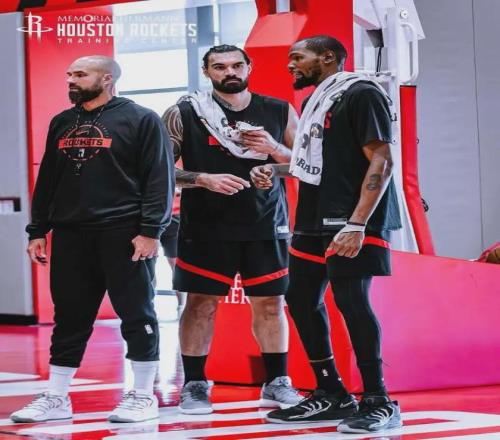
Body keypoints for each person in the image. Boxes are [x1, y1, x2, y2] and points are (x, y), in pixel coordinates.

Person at [251, 36, 403, 433]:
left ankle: (379, 400)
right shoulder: (316, 101)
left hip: (353, 218)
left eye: (297, 57)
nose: (290, 65)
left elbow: (382, 160)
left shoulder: (362, 93)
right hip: (314, 216)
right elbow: (318, 163)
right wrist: (274, 170)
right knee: (300, 298)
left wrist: (357, 224)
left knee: (351, 301)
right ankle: (332, 393)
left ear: (328, 57)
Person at [11, 56, 175, 424]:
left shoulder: (141, 118)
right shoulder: (62, 121)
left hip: (124, 232)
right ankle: (56, 397)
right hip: (71, 233)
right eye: (69, 74)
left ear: (107, 78)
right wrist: (37, 230)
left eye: (80, 74)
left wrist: (151, 231)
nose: (71, 80)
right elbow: (48, 178)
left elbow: (158, 178)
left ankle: (143, 395)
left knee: (136, 314)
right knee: (70, 316)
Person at [162, 44, 301, 415]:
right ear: (206, 71)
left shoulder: (279, 110)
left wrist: (274, 153)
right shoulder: (185, 112)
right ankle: (194, 384)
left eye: (237, 65)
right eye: (220, 66)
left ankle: (277, 382)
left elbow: (308, 164)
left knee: (271, 304)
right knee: (199, 304)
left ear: (249, 67)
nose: (230, 72)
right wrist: (202, 179)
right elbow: (158, 170)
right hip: (205, 226)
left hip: (266, 223)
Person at [159, 188, 186, 319]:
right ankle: (147, 306)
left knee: (177, 266)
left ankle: (181, 307)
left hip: (175, 217)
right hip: (152, 214)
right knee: (146, 263)